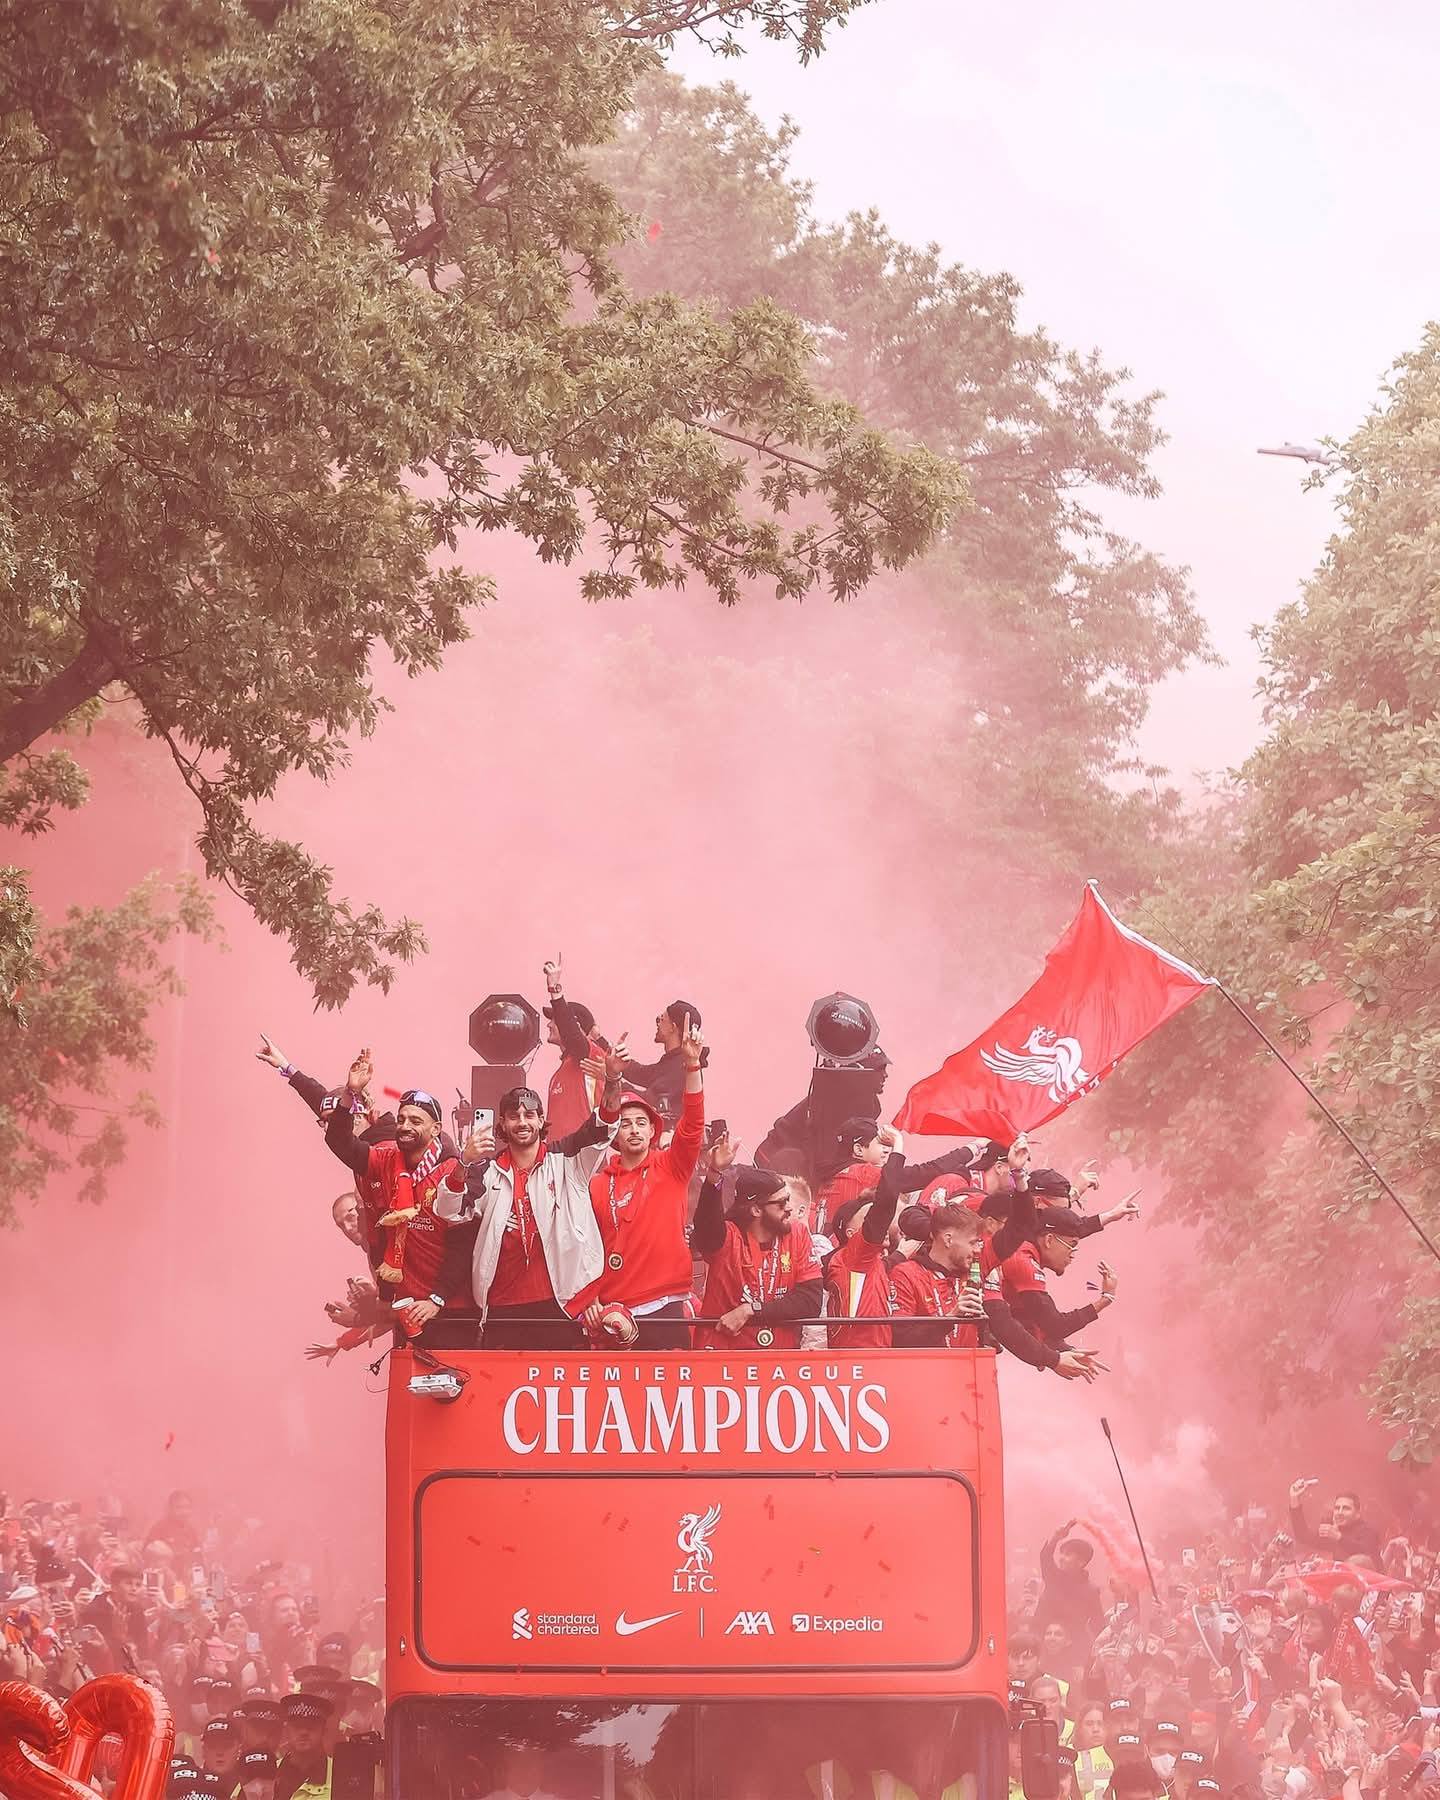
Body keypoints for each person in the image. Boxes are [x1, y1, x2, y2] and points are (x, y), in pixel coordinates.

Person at [435, 1064, 623, 1348]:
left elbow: (603, 1125)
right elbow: (451, 1210)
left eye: (529, 1115)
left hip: (561, 1304)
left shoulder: (568, 1159)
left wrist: (613, 1078)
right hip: (502, 1308)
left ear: (541, 1120)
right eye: (514, 1116)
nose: (522, 1122)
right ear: (502, 1124)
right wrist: (464, 1162)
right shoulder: (487, 1171)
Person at [584, 1016, 707, 1348]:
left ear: (653, 1130)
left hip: (666, 1305)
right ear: (615, 1134)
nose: (635, 1130)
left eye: (641, 1122)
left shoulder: (672, 1166)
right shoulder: (596, 1184)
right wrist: (588, 1295)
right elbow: (584, 1250)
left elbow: (693, 1126)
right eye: (626, 1124)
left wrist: (692, 1066)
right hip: (614, 1311)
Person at [324, 1083, 475, 1349]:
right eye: (402, 1119)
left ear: (436, 1129)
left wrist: (436, 1299)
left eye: (416, 1121)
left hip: (452, 1309)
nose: (405, 1126)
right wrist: (349, 1094)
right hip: (407, 1309)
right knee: (411, 1375)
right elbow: (339, 1142)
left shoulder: (450, 1171)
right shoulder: (384, 1161)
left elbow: (463, 1246)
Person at [888, 1204, 1102, 1381]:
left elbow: (1007, 1325)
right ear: (948, 1239)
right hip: (921, 1384)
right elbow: (900, 1340)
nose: (978, 1249)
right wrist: (950, 1318)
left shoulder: (977, 1271)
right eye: (973, 1242)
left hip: (968, 1384)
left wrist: (1056, 1354)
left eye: (980, 1243)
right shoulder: (906, 1274)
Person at [691, 1165, 823, 1350]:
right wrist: (714, 1177)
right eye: (781, 1203)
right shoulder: (728, 1237)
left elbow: (810, 1301)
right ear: (756, 1210)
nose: (789, 1208)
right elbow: (707, 1225)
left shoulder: (798, 1234)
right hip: (725, 1355)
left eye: (788, 1199)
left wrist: (752, 1310)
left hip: (778, 1357)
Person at [1001, 1215, 1117, 1349]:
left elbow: (1037, 1324)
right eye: (1072, 1246)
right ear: (1049, 1240)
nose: (1072, 1255)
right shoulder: (1024, 1263)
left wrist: (1067, 1351)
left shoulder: (1023, 1248)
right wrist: (1106, 1299)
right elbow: (1055, 1326)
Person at [540, 956, 614, 1137]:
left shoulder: (590, 1055)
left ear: (575, 1026)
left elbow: (572, 1035)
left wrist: (555, 990)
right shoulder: (561, 1071)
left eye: (555, 1021)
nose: (549, 1025)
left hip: (583, 1153)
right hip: (557, 1154)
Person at [620, 999, 706, 1125]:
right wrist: (605, 1046)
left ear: (672, 1027)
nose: (657, 1024)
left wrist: (612, 1080)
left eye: (661, 1019)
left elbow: (646, 1101)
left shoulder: (681, 1067)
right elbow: (641, 1073)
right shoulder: (672, 1061)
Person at [1036, 1521, 1103, 1643]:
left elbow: (1098, 1624)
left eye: (1067, 1555)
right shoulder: (1053, 1577)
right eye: (1061, 1554)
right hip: (1042, 1644)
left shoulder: (1091, 1591)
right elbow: (1045, 1557)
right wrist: (1056, 1537)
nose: (1061, 1558)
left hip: (1073, 1647)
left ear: (1081, 1562)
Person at [1288, 1479, 1383, 1561]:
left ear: (1357, 1513)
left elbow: (1366, 1553)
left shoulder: (1368, 1531)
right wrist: (1294, 1498)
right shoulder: (1334, 1532)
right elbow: (1303, 1536)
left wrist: (1338, 1537)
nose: (1340, 1512)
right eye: (1337, 1508)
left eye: (1346, 1508)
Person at [276, 1692, 333, 1800]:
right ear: (286, 1731)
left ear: (324, 1731)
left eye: (311, 1726)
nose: (303, 1732)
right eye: (297, 1726)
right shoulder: (268, 1773)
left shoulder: (339, 1775)